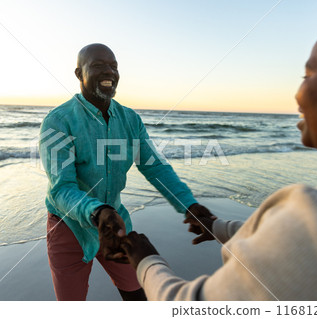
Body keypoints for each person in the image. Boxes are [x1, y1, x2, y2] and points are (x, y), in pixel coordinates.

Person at [120, 8, 317, 301]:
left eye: (308, 74)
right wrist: (217, 226)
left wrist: (146, 260)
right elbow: (287, 241)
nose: (297, 93)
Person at [39, 43, 213, 301]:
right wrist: (97, 212)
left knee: (139, 297)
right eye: (98, 65)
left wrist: (189, 205)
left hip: (115, 223)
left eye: (114, 66)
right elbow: (62, 188)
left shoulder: (130, 119)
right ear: (79, 74)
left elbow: (154, 167)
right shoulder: (58, 121)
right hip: (69, 229)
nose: (109, 71)